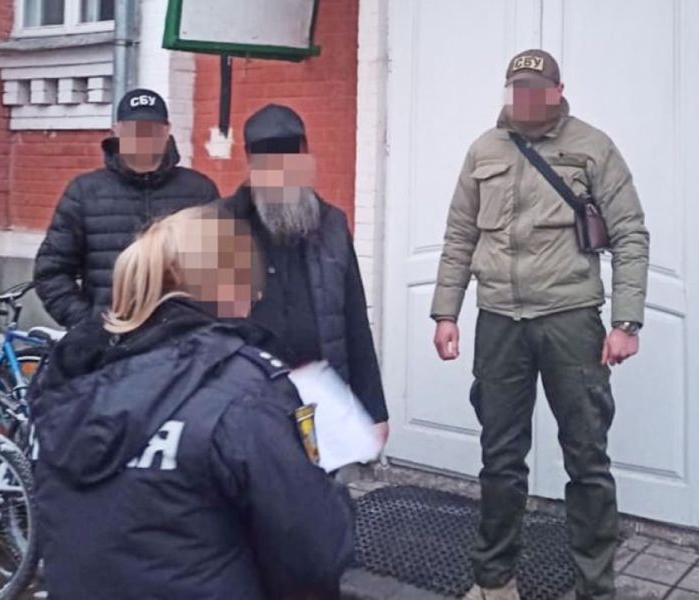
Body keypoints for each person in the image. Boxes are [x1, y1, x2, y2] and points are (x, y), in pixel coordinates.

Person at [30, 205, 355, 600]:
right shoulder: (243, 391)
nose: (256, 295)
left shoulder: (65, 382)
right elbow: (313, 552)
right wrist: (325, 485)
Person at [431, 49, 649, 600]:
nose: (526, 97)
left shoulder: (593, 147)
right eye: (517, 87)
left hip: (570, 320)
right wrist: (446, 311)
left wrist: (625, 321)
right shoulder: (484, 150)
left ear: (557, 90)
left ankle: (595, 588)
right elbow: (460, 236)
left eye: (536, 87)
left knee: (587, 459)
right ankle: (495, 582)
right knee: (499, 460)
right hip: (499, 321)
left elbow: (630, 234)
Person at [221, 103, 389, 446]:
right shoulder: (221, 225)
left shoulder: (332, 225)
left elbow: (354, 320)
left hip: (324, 400)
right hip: (247, 402)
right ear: (251, 163)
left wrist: (375, 410)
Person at [33, 87, 219, 328]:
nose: (143, 138)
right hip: (109, 337)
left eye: (151, 129)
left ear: (166, 131)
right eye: (134, 130)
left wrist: (205, 323)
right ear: (117, 131)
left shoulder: (199, 191)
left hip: (182, 336)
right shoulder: (85, 192)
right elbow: (51, 271)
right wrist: (87, 326)